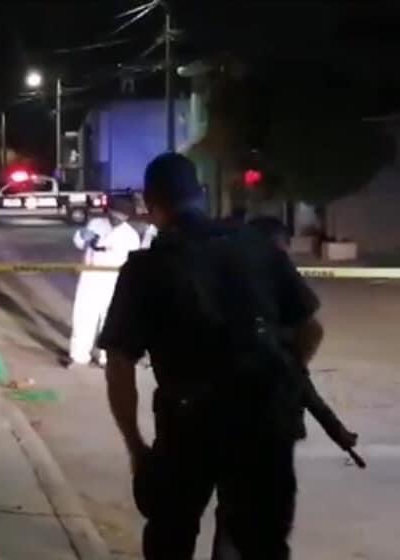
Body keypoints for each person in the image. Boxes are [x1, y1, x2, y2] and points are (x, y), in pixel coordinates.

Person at [99, 152, 326, 559]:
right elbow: (311, 329)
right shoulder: (257, 245)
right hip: (264, 422)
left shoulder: (147, 267)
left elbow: (119, 365)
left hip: (189, 427)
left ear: (151, 203)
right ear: (200, 195)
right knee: (261, 544)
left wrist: (136, 448)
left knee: (171, 538)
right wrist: (288, 375)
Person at [208, 215, 363, 560]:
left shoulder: (237, 289)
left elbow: (302, 381)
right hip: (265, 426)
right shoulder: (274, 302)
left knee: (236, 514)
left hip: (242, 424)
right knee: (262, 523)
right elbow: (306, 354)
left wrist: (335, 428)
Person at [64, 195, 140, 369]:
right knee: (83, 317)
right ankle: (78, 356)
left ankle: (107, 359)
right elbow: (80, 243)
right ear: (108, 212)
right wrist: (82, 236)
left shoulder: (131, 236)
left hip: (114, 283)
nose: (115, 220)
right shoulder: (96, 223)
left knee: (110, 320)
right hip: (89, 279)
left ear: (127, 218)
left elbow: (129, 262)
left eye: (120, 218)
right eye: (113, 215)